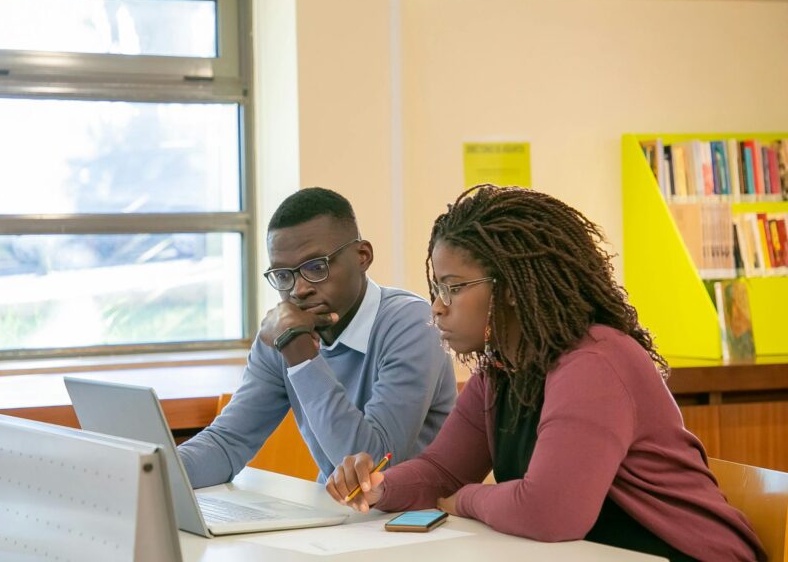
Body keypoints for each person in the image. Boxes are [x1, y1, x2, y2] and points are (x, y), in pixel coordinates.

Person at [326, 185, 765, 561]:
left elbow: (549, 511)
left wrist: (465, 500)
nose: (438, 306)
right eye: (437, 288)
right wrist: (380, 486)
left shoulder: (595, 362)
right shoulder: (502, 368)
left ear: (513, 289)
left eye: (453, 288)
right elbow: (442, 469)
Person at [178, 187, 457, 488]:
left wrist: (302, 358)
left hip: (416, 521)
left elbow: (371, 469)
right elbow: (227, 443)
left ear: (362, 256)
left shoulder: (412, 323)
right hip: (338, 520)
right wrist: (152, 474)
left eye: (315, 267)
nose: (298, 290)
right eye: (283, 275)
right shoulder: (284, 332)